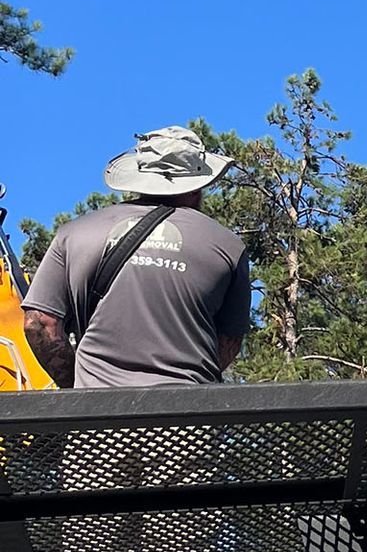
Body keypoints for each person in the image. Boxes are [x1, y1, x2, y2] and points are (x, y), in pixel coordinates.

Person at [23, 125, 251, 389]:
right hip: (189, 420)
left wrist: (75, 387)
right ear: (197, 185)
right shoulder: (227, 245)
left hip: (99, 419)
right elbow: (229, 342)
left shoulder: (74, 233)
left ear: (139, 177)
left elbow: (38, 324)